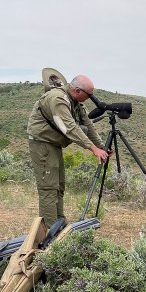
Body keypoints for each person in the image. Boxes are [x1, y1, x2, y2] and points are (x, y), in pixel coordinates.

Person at [27, 74, 109, 228]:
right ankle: (49, 232)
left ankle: (59, 224)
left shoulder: (75, 101)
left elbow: (88, 125)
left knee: (59, 186)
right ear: (77, 90)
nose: (91, 98)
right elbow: (70, 127)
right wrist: (93, 149)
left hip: (54, 144)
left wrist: (101, 146)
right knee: (48, 188)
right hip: (42, 144)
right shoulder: (58, 99)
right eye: (89, 95)